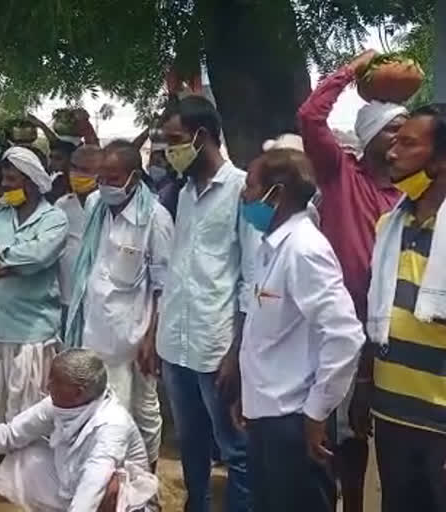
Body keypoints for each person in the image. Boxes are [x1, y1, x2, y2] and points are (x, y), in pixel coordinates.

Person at [298, 50, 406, 512]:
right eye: (393, 131)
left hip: (397, 332)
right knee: (340, 434)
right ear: (371, 139)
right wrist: (350, 70)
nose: (402, 140)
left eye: (406, 131)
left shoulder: (412, 193)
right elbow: (309, 115)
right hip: (341, 330)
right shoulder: (341, 175)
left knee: (390, 433)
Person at [237, 148, 365, 512]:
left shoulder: (304, 250)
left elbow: (344, 334)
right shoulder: (272, 246)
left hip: (294, 419)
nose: (244, 196)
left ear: (275, 194)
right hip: (267, 413)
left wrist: (317, 411)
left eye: (249, 187)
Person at [155, 95, 256, 512]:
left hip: (217, 348)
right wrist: (155, 331)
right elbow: (176, 269)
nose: (167, 151)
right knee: (190, 443)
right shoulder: (182, 193)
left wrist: (237, 352)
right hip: (175, 343)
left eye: (174, 140)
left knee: (236, 451)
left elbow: (251, 278)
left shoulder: (242, 190)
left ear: (202, 136)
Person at [0, 349, 158, 512]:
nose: (47, 386)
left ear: (78, 392)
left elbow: (92, 488)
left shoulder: (112, 425)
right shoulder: (58, 403)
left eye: (55, 381)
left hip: (119, 501)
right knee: (27, 454)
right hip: (75, 484)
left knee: (111, 485)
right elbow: (10, 436)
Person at [66, 141, 173, 470]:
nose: (105, 185)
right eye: (101, 178)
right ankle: (109, 481)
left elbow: (163, 285)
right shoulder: (96, 204)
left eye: (113, 178)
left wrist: (152, 338)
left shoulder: (155, 218)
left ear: (134, 177)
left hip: (134, 336)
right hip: (93, 329)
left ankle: (144, 477)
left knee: (142, 412)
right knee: (100, 415)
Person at [366, 104, 446, 511]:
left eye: (408, 143)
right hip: (394, 416)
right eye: (393, 142)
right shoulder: (389, 225)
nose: (392, 153)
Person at [0, 145, 68, 423]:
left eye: (12, 181)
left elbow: (39, 257)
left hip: (30, 330)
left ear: (31, 182)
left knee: (28, 413)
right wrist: (11, 265)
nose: (6, 186)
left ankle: (26, 468)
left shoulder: (54, 219)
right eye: (4, 180)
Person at [54, 145, 103, 317]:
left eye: (85, 170)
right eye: (74, 167)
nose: (76, 174)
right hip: (66, 299)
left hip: (99, 302)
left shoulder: (109, 207)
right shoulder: (62, 206)